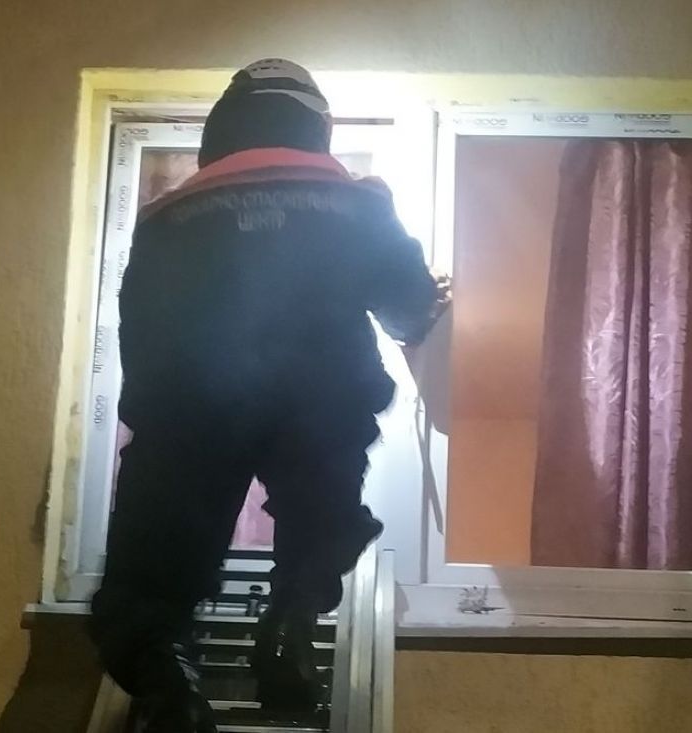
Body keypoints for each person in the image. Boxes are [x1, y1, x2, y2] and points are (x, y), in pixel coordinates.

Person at [89, 59, 447, 733]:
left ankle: (171, 684)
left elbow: (140, 329)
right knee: (319, 519)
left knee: (153, 569)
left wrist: (155, 422)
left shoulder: (166, 215)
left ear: (223, 129)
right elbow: (408, 308)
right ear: (317, 126)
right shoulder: (357, 202)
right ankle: (287, 634)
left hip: (192, 401)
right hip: (320, 397)